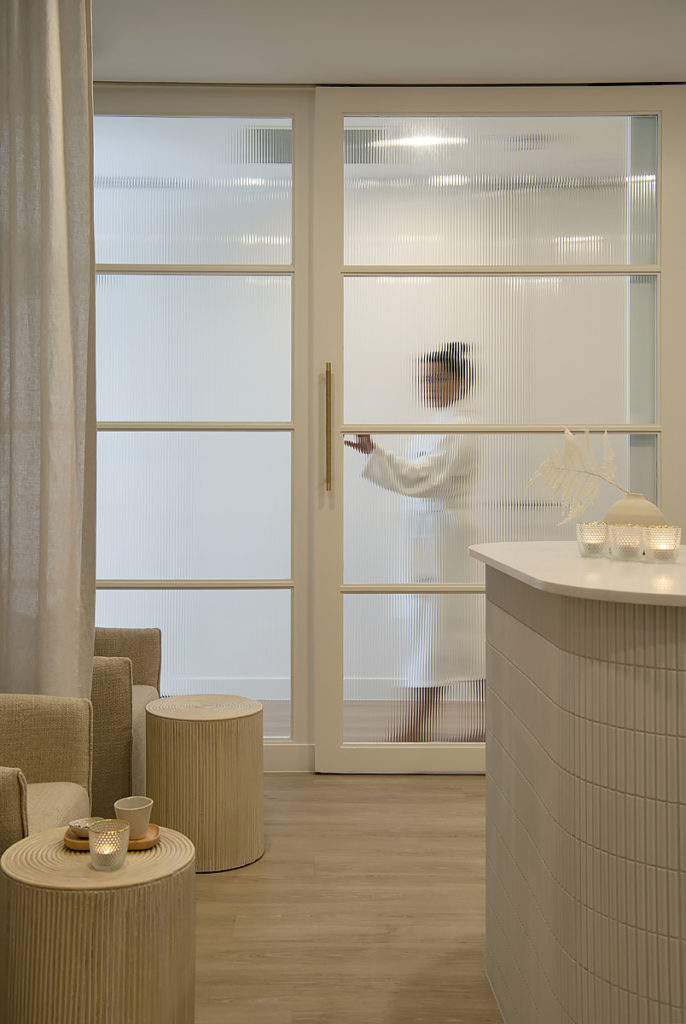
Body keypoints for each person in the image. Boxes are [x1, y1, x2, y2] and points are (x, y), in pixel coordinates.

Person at [345, 342, 484, 742]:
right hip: (435, 536)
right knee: (451, 633)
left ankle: (414, 729)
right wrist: (377, 453)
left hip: (447, 538)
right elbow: (421, 474)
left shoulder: (460, 426)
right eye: (425, 378)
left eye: (438, 377)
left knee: (445, 633)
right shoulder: (442, 422)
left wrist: (377, 455)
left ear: (460, 381)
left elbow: (426, 478)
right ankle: (446, 726)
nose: (429, 385)